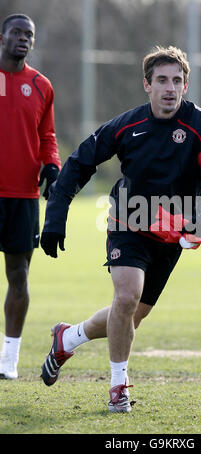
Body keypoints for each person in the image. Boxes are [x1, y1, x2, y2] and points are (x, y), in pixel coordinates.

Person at [40, 46, 201, 413]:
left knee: (131, 315)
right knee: (126, 298)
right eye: (162, 80)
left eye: (177, 81)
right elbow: (78, 164)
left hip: (171, 236)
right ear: (147, 85)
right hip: (128, 221)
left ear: (185, 85)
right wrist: (55, 216)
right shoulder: (127, 125)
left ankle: (67, 338)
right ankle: (118, 387)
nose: (170, 88)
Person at [0, 14, 61, 380]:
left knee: (19, 277)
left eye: (29, 35)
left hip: (23, 196)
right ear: (2, 37)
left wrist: (51, 165)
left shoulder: (41, 85)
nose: (23, 38)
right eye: (16, 32)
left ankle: (8, 361)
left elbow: (47, 136)